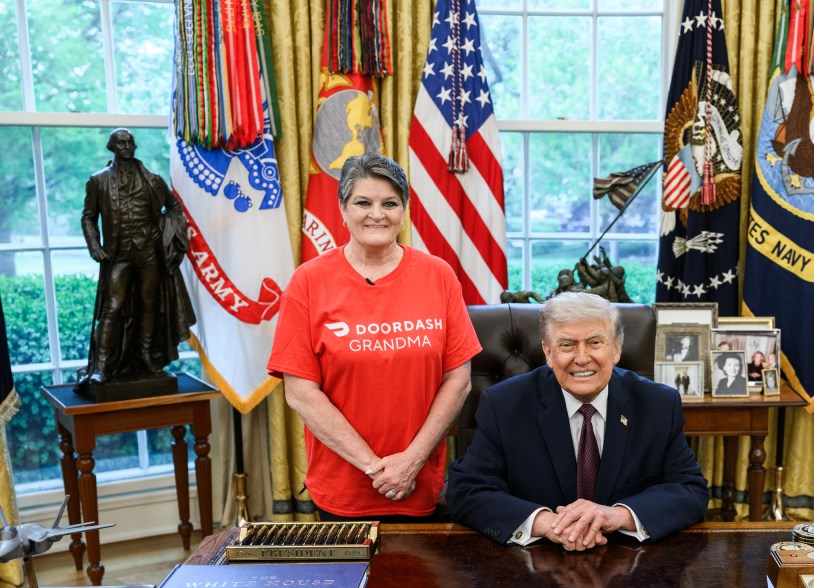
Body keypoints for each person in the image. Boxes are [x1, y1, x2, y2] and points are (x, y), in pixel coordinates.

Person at [267, 154, 480, 521]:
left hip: (419, 483)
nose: (377, 214)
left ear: (404, 210)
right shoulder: (308, 281)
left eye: (390, 204)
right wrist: (376, 469)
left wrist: (411, 461)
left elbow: (458, 380)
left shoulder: (439, 276)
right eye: (363, 202)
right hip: (343, 490)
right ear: (343, 209)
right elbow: (301, 393)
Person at [446, 293, 708, 550]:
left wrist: (617, 515)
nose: (582, 358)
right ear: (548, 352)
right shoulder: (504, 405)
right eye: (567, 345)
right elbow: (466, 490)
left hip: (628, 560)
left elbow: (689, 489)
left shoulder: (658, 404)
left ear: (616, 349)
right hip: (533, 561)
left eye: (595, 343)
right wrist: (547, 523)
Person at [78, 128, 194, 388]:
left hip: (149, 252)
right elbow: (88, 217)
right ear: (112, 147)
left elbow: (174, 207)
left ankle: (146, 357)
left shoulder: (153, 180)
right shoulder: (98, 181)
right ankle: (102, 366)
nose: (127, 146)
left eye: (130, 142)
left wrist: (167, 233)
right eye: (121, 143)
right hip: (118, 254)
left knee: (148, 304)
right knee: (113, 306)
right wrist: (95, 246)